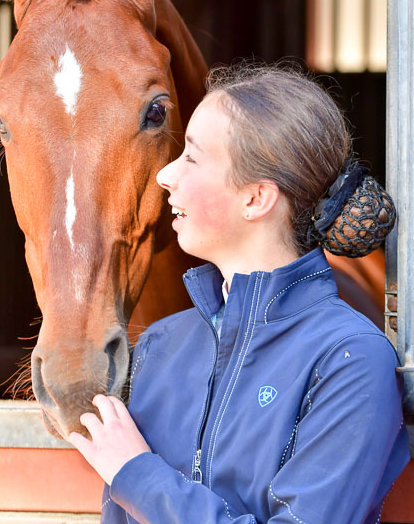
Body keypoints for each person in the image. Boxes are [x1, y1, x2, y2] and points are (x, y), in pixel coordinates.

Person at [69, 64, 410, 524]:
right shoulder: (158, 346)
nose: (165, 175)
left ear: (256, 199)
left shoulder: (350, 360)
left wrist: (137, 474)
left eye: (191, 157)